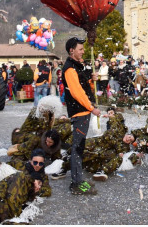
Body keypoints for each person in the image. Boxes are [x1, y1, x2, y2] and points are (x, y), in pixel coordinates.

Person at [62, 37, 100, 195]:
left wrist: (91, 81)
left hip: (83, 111)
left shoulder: (78, 66)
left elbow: (84, 88)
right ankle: (76, 183)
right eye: (80, 49)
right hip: (80, 112)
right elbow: (77, 93)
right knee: (77, 148)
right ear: (72, 50)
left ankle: (79, 179)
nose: (83, 51)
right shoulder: (70, 68)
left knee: (79, 147)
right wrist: (92, 108)